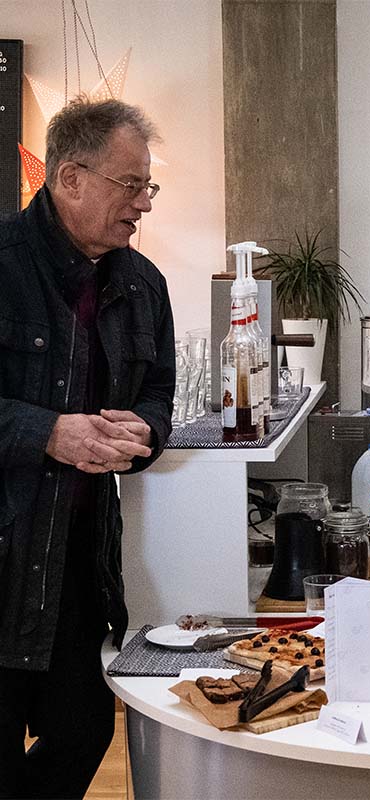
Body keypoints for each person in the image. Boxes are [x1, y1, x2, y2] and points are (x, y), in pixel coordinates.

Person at [0, 97, 175, 798]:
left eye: (147, 187)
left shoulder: (142, 284)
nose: (144, 205)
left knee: (85, 732)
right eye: (131, 185)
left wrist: (147, 432)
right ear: (70, 179)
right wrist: (46, 431)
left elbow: (159, 391)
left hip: (78, 563)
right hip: (6, 552)